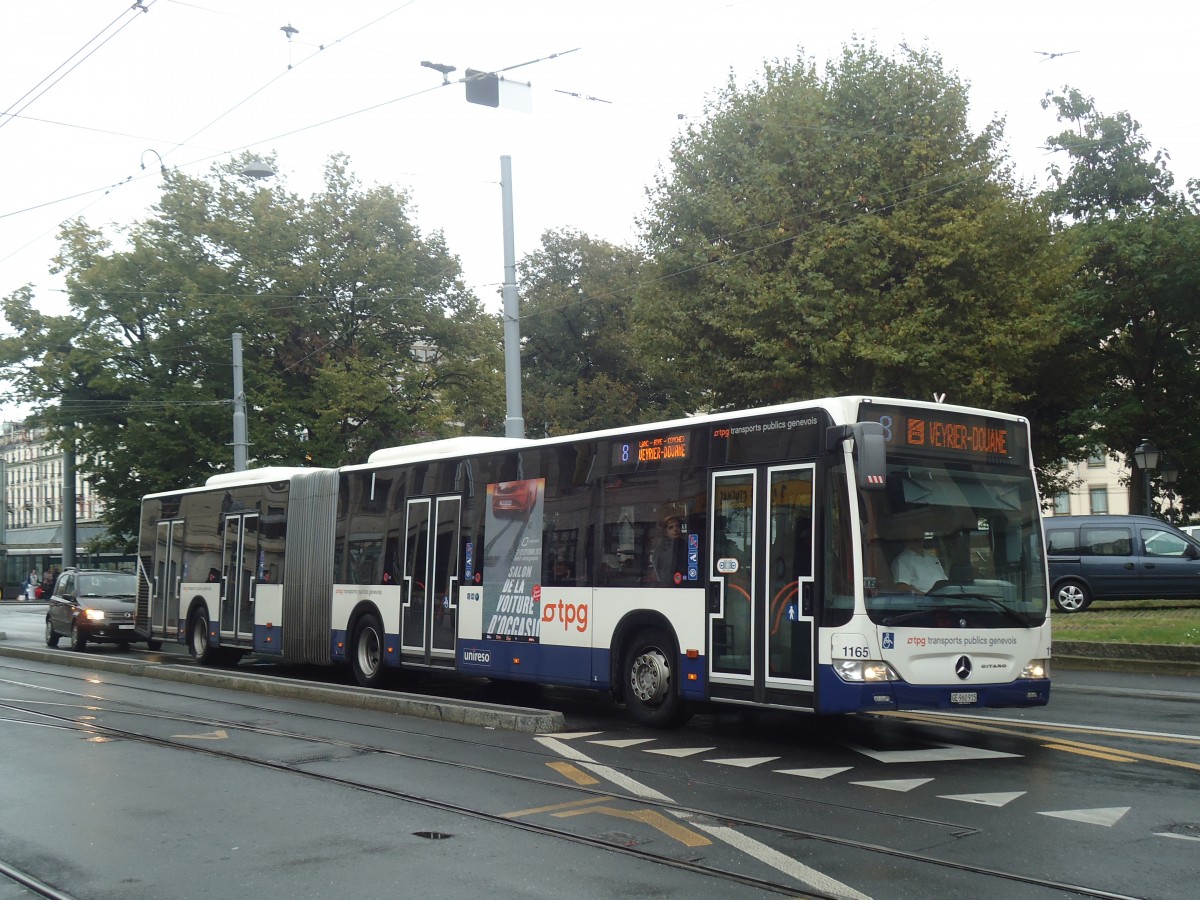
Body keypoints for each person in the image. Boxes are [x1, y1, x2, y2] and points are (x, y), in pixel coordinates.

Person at [651, 515, 687, 585]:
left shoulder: (687, 544)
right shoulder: (661, 547)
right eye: (671, 527)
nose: (675, 529)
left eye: (677, 526)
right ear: (665, 532)